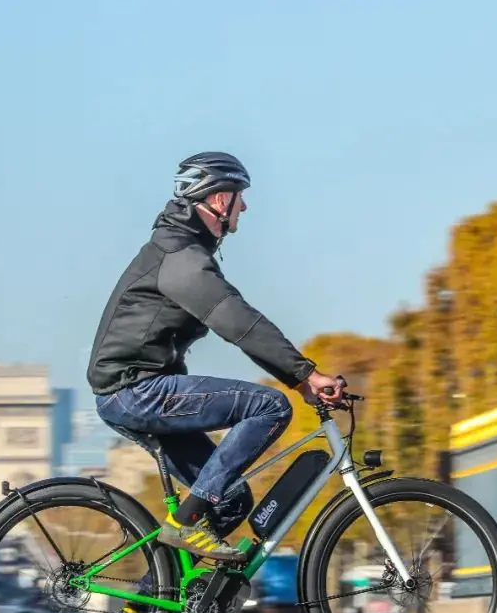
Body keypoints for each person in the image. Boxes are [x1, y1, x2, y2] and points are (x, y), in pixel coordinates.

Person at [87, 151, 345, 569]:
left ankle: (150, 608)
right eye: (240, 197)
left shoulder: (183, 250)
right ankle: (186, 521)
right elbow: (236, 321)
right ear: (220, 200)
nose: (244, 206)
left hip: (133, 392)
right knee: (269, 406)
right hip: (136, 392)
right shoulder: (180, 259)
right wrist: (304, 374)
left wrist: (299, 379)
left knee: (229, 500)